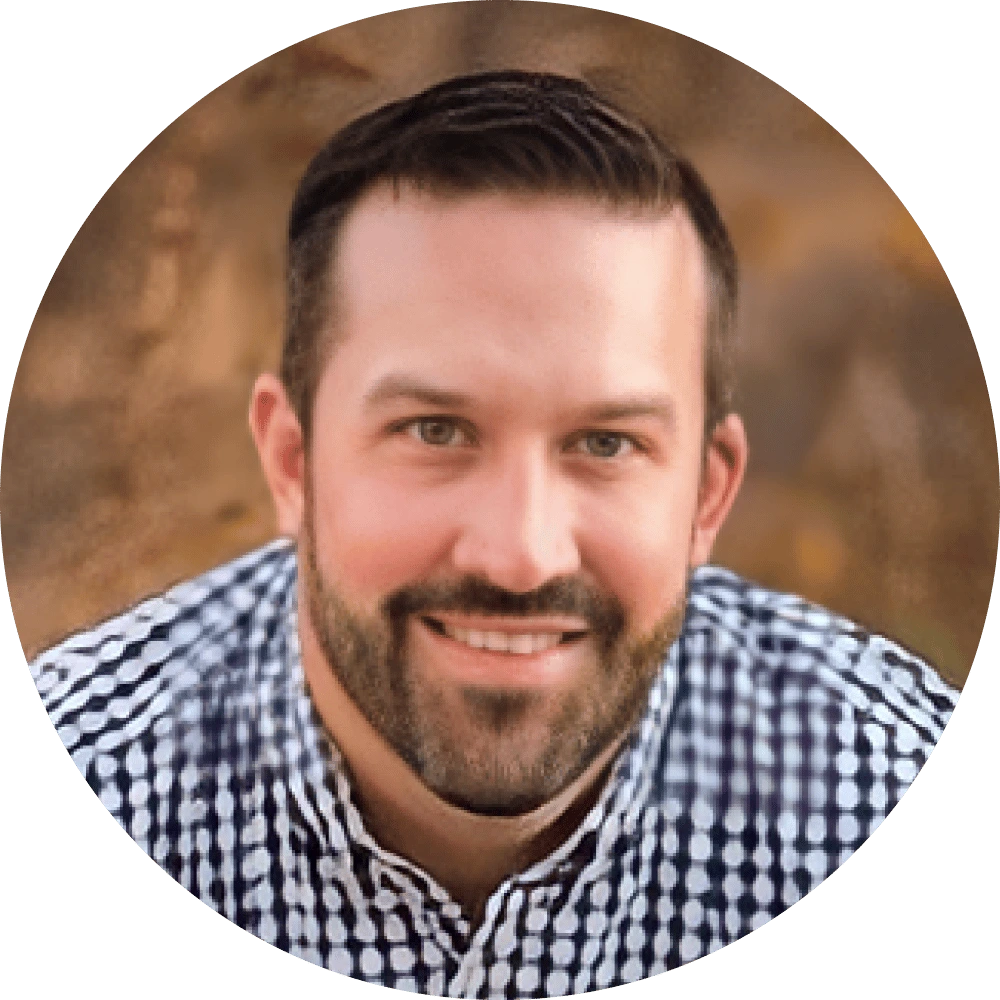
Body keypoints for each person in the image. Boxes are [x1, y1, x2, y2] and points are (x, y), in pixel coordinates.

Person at [28, 71, 958, 997]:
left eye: (606, 443)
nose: (521, 555)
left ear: (707, 497)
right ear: (291, 462)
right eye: (434, 432)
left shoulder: (900, 801)